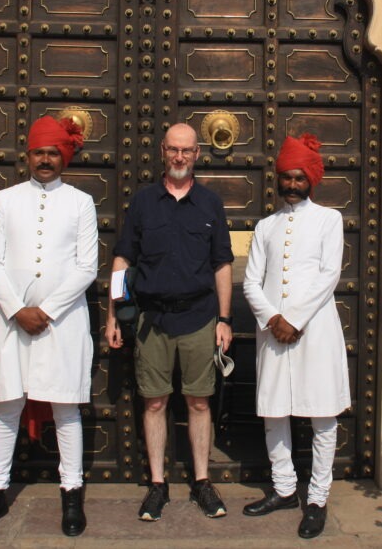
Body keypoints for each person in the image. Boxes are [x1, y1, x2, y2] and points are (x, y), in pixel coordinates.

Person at [0, 115, 99, 537]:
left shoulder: (80, 202)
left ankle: (72, 493)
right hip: (11, 322)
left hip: (62, 323)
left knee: (66, 409)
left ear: (65, 157)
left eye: (53, 153)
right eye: (39, 152)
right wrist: (18, 309)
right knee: (6, 408)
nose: (46, 159)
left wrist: (47, 309)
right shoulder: (4, 200)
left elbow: (86, 267)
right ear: (28, 155)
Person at [104, 122, 234, 522]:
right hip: (152, 319)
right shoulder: (143, 203)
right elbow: (123, 261)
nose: (180, 156)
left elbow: (222, 265)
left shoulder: (211, 204)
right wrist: (112, 315)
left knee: (198, 401)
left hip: (198, 317)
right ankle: (158, 485)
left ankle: (201, 482)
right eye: (174, 150)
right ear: (163, 151)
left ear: (197, 154)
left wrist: (225, 319)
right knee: (155, 401)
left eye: (187, 150)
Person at [241, 133, 350, 540]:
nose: (291, 184)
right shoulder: (265, 225)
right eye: (285, 177)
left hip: (314, 332)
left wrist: (295, 319)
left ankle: (318, 498)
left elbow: (329, 275)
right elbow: (252, 282)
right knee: (275, 412)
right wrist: (272, 319)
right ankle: (285, 489)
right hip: (273, 334)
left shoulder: (329, 220)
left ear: (311, 180)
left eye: (298, 178)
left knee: (322, 415)